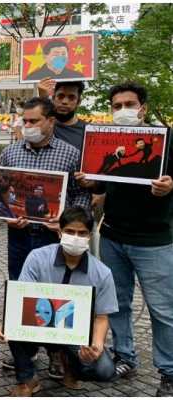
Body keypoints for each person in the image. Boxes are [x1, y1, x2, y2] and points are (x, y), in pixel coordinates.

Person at [76, 83, 173, 396]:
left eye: (129, 103)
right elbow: (101, 187)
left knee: (162, 309)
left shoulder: (167, 140)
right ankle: (125, 357)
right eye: (116, 105)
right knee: (117, 303)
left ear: (143, 107)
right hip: (113, 235)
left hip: (154, 240)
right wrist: (91, 181)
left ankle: (169, 370)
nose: (123, 110)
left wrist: (170, 186)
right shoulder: (109, 141)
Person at [0, 97, 91, 377]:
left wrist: (67, 225)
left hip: (53, 238)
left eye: (34, 121)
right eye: (24, 121)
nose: (27, 126)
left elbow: (81, 195)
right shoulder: (11, 153)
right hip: (20, 236)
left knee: (56, 292)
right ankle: (25, 350)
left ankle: (55, 353)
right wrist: (6, 216)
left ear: (50, 121)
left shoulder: (70, 154)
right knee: (21, 290)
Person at [0, 207, 117, 396]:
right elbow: (21, 298)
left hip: (75, 334)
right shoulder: (37, 257)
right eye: (70, 231)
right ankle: (27, 379)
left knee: (104, 370)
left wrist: (97, 344)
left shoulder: (102, 273)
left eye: (82, 233)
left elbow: (102, 316)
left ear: (90, 236)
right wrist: (7, 322)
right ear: (59, 231)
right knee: (12, 328)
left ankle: (70, 366)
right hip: (38, 324)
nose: (75, 237)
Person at [37, 80, 87, 152]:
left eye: (71, 97)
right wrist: (43, 98)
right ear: (53, 98)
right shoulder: (44, 126)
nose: (65, 101)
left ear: (78, 102)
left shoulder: (88, 132)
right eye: (61, 96)